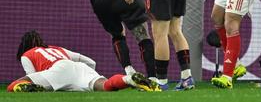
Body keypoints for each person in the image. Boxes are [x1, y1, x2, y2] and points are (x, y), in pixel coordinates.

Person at [8, 30, 156, 92]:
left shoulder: (26, 54)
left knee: (14, 86)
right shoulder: (57, 49)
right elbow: (90, 62)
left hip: (56, 70)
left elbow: (31, 75)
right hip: (78, 67)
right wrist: (88, 75)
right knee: (105, 85)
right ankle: (129, 79)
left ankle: (22, 88)